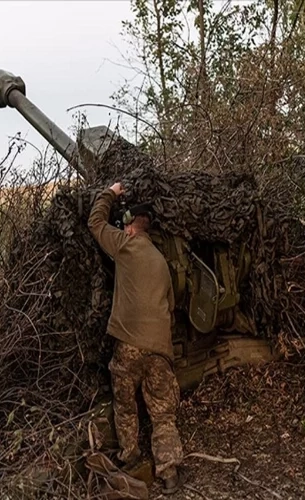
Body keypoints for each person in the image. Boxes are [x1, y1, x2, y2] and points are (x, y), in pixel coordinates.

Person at [88, 181, 184, 494]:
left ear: (130, 227)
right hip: (159, 349)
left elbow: (95, 223)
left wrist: (110, 193)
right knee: (162, 413)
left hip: (129, 346)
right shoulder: (161, 261)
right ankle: (169, 473)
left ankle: (130, 459)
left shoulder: (125, 246)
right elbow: (170, 305)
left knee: (126, 405)